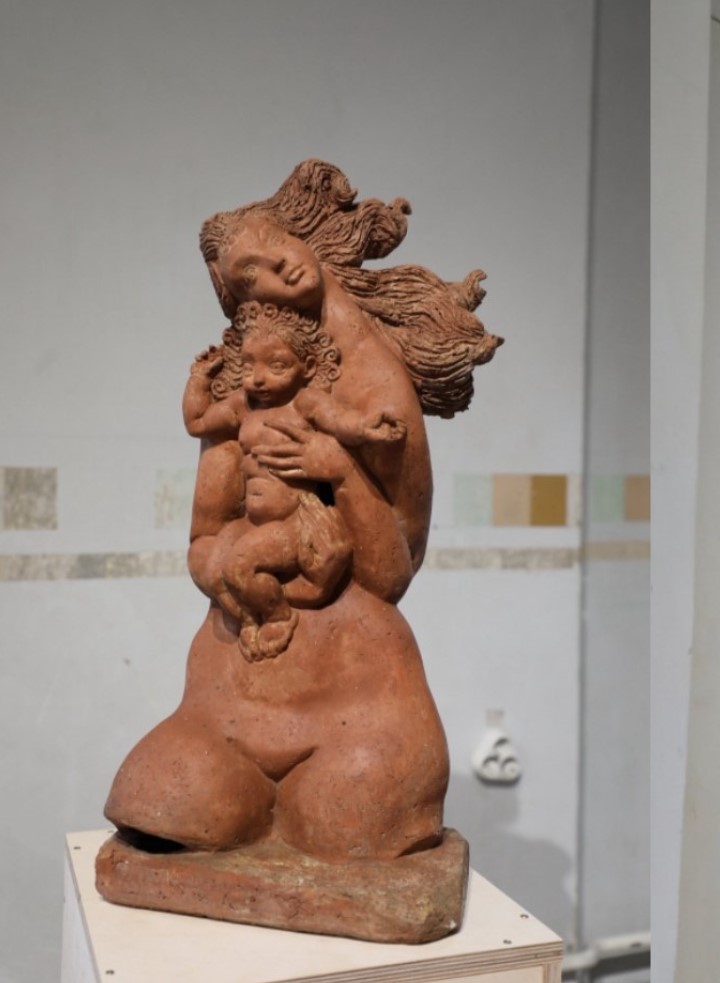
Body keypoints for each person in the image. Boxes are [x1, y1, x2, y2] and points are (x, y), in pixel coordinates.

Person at [104, 161, 500, 862]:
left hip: (358, 688)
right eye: (246, 275)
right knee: (161, 796)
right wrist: (228, 566)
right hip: (232, 686)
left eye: (270, 247)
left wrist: (335, 469)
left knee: (350, 820)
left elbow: (388, 573)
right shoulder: (244, 399)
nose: (273, 270)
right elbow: (203, 536)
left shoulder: (370, 391)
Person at [182, 301, 405, 660]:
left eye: (277, 366)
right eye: (249, 366)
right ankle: (254, 613)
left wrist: (365, 428)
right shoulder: (243, 407)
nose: (258, 378)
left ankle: (278, 617)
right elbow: (197, 423)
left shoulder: (306, 404)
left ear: (308, 367)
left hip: (294, 522)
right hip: (253, 524)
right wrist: (198, 379)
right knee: (215, 565)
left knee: (240, 567)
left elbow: (340, 422)